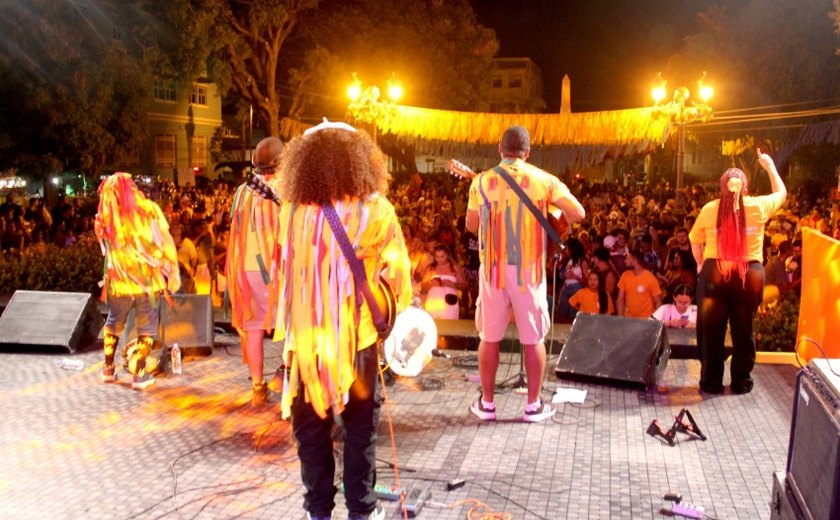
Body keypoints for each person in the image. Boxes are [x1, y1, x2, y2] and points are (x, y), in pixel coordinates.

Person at [273, 120, 412, 520]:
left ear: (304, 164)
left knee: (311, 435)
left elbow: (286, 271)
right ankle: (361, 512)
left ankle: (318, 512)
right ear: (359, 161)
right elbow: (397, 275)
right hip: (359, 342)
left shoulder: (292, 212)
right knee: (359, 434)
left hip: (306, 346)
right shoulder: (377, 210)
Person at [466, 125, 585, 423]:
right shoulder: (544, 180)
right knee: (533, 339)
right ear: (527, 152)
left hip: (492, 270)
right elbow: (578, 214)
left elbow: (471, 227)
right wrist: (553, 215)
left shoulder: (480, 181)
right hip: (529, 271)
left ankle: (488, 404)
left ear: (499, 148)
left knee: (489, 337)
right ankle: (533, 406)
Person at [690, 149, 786, 395]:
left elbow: (693, 240)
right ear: (745, 186)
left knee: (710, 331)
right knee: (744, 329)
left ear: (722, 186)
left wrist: (701, 263)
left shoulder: (710, 208)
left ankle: (711, 383)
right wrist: (770, 167)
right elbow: (781, 193)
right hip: (749, 275)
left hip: (716, 273)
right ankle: (741, 382)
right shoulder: (759, 206)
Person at [94, 172, 180, 389]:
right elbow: (166, 239)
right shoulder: (149, 210)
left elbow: (106, 249)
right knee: (146, 327)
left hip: (119, 280)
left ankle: (108, 369)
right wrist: (174, 269)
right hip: (146, 281)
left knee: (114, 321)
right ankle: (139, 374)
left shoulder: (105, 216)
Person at [225, 136, 284, 406]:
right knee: (292, 324)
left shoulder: (241, 192)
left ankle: (258, 390)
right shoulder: (282, 191)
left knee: (254, 329)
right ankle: (285, 377)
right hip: (273, 270)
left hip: (245, 271)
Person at [420, 244, 467, 320]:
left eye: (442, 256)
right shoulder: (431, 268)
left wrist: (452, 284)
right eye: (437, 257)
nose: (440, 259)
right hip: (433, 302)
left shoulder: (454, 267)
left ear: (448, 255)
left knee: (449, 325)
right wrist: (431, 283)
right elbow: (423, 286)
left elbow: (464, 286)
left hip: (449, 302)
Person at [617, 248, 663, 319]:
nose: (625, 261)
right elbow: (620, 298)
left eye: (627, 258)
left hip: (646, 320)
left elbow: (658, 301)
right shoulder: (625, 275)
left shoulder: (650, 278)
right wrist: (620, 317)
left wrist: (655, 320)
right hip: (629, 318)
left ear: (635, 261)